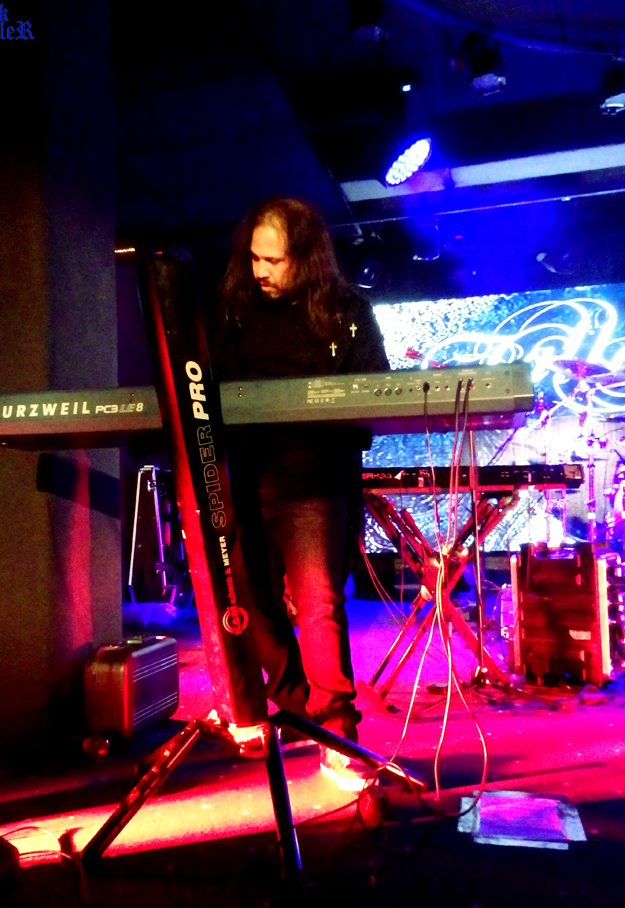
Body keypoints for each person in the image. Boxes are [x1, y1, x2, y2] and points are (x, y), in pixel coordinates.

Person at [215, 197, 389, 790]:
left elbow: (372, 394)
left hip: (313, 480)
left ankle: (337, 730)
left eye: (274, 260)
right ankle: (298, 706)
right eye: (254, 258)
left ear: (307, 258)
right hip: (245, 478)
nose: (261, 270)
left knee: (317, 605)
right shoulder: (235, 311)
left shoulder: (346, 313)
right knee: (248, 606)